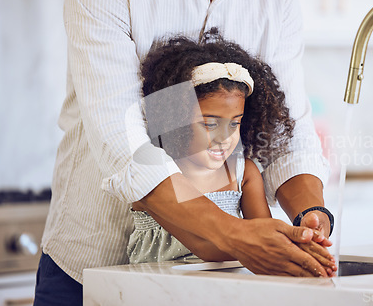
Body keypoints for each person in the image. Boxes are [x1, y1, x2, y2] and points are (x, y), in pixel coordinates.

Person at [35, 0, 333, 304]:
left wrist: (310, 216)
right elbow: (125, 144)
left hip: (216, 287)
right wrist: (237, 235)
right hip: (86, 269)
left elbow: (287, 134)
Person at [127, 32, 336, 272]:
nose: (225, 137)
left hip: (229, 291)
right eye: (210, 124)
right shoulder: (157, 176)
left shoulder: (244, 173)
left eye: (235, 123)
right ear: (175, 120)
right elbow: (207, 246)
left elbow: (264, 232)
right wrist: (283, 246)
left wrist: (301, 236)